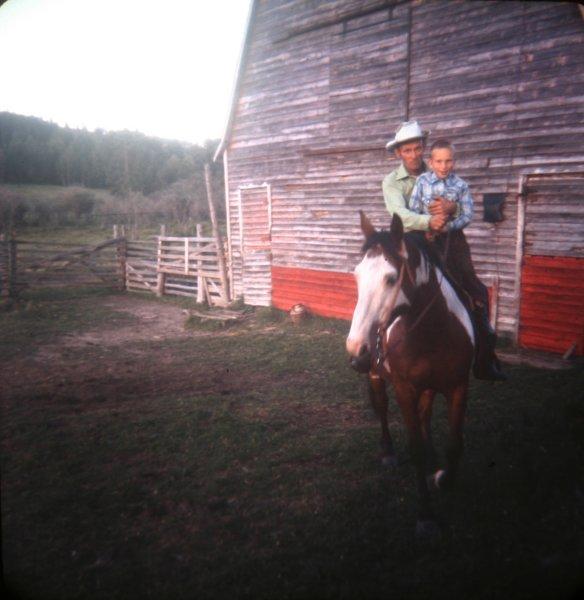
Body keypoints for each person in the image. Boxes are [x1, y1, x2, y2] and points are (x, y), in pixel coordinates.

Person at [382, 122, 506, 381]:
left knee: (475, 291)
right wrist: (429, 222)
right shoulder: (392, 182)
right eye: (407, 150)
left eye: (417, 149)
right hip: (415, 241)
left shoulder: (442, 170)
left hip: (451, 240)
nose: (414, 154)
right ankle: (377, 351)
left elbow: (464, 208)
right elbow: (400, 215)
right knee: (390, 289)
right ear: (398, 153)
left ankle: (484, 356)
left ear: (424, 150)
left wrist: (452, 210)